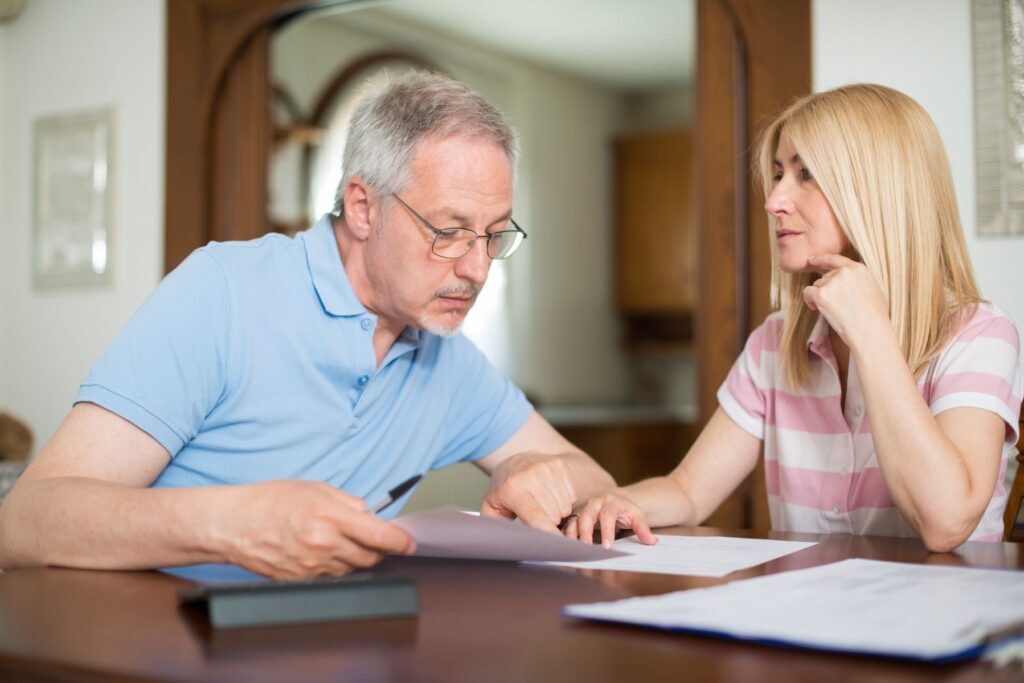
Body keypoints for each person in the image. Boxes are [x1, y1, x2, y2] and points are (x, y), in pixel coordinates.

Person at [0, 71, 614, 578]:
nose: (477, 269)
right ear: (363, 207)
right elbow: (24, 523)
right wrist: (234, 523)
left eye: (494, 235)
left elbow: (594, 480)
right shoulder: (224, 292)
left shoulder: (443, 354)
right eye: (449, 232)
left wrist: (525, 469)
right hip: (155, 648)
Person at [564, 84, 1023, 552]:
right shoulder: (773, 342)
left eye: (807, 174)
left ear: (879, 191)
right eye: (779, 173)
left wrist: (871, 335)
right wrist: (620, 500)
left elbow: (946, 523)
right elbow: (689, 490)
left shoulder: (980, 336)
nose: (773, 201)